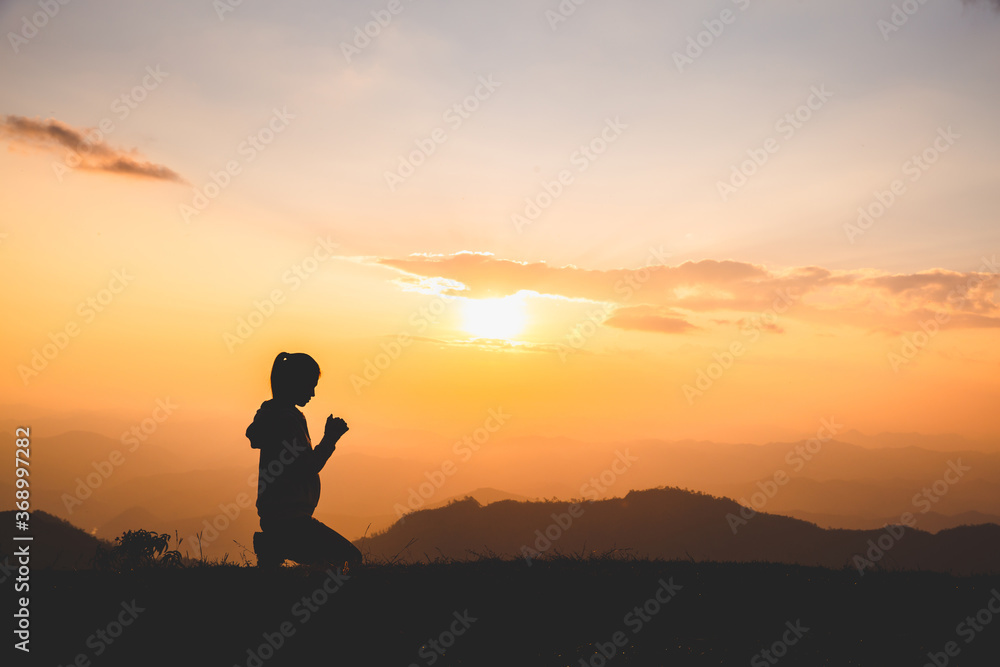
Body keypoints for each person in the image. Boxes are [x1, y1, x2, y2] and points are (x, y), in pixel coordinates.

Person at [247, 351, 362, 571]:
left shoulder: (272, 414)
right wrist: (330, 439)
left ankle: (273, 545)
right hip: (292, 521)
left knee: (337, 560)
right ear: (294, 383)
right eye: (310, 385)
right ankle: (274, 546)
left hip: (276, 518)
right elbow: (308, 467)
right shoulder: (288, 420)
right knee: (350, 560)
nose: (313, 393)